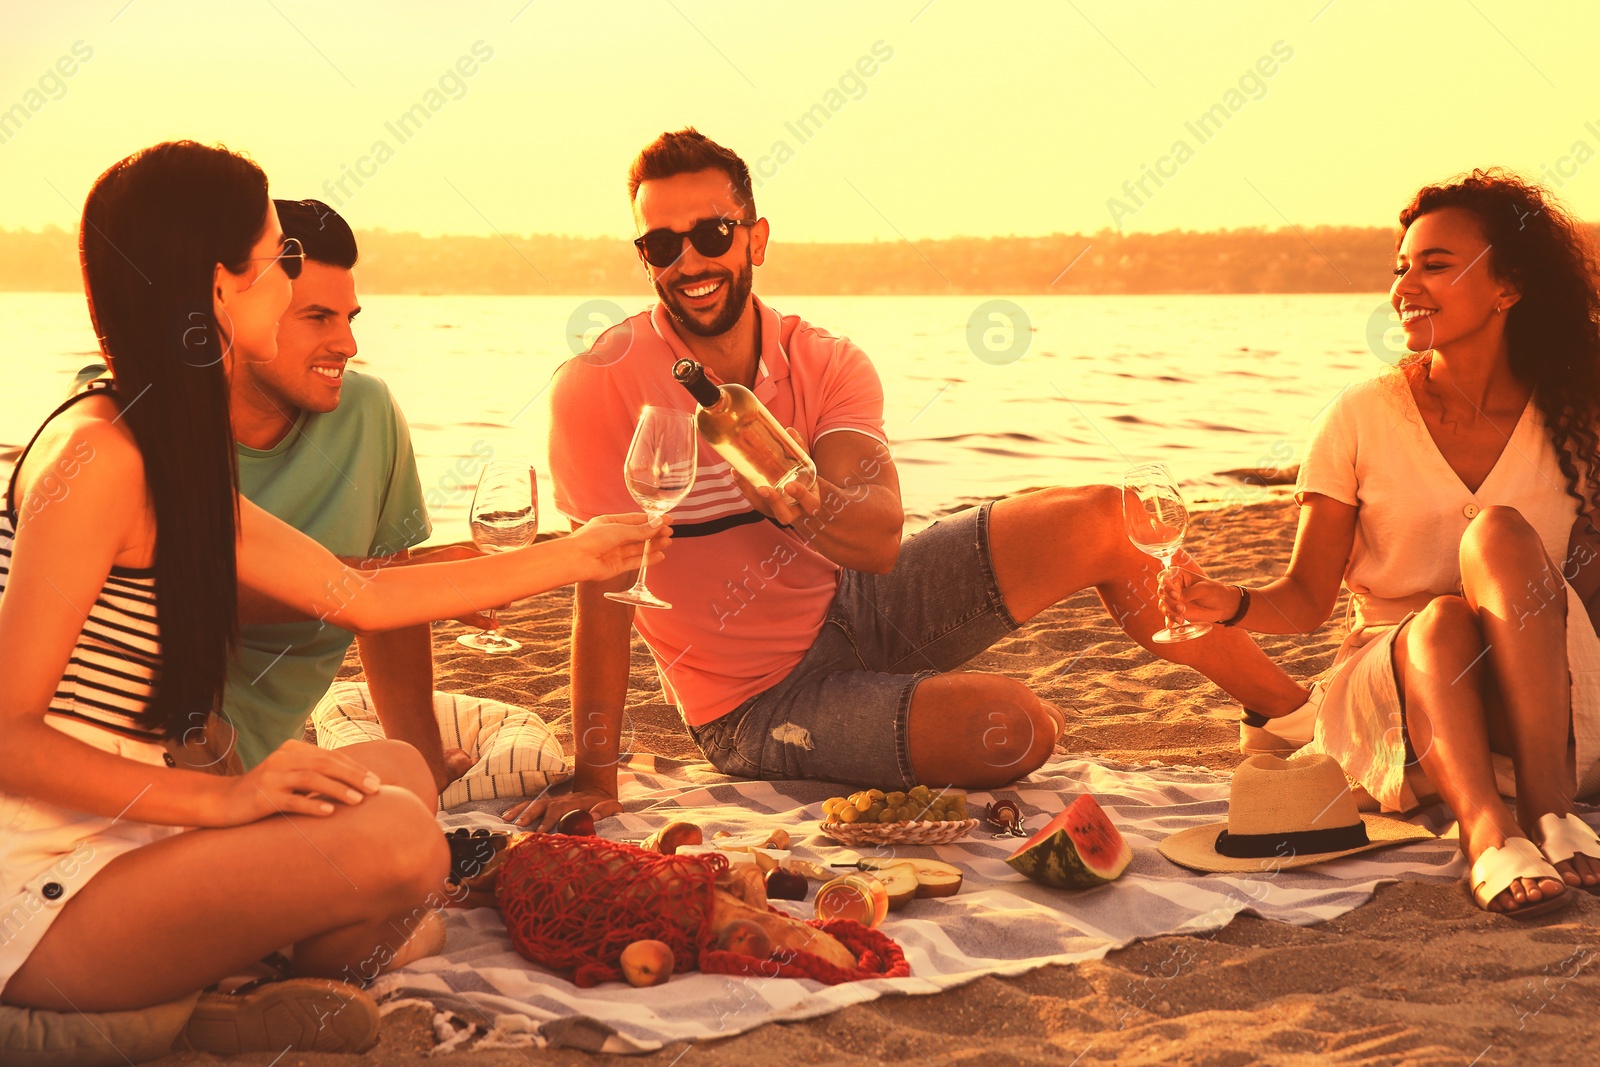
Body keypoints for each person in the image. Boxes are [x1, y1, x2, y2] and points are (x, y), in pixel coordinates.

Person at [0, 141, 661, 1043]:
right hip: (37, 887)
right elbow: (7, 736)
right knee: (397, 842)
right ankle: (250, 976)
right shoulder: (99, 457)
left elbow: (362, 597)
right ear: (219, 288)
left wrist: (582, 553)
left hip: (125, 840)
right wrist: (225, 802)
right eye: (279, 259)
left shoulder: (159, 439)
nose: (294, 279)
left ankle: (242, 982)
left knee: (396, 776)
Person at [510, 127, 1311, 829]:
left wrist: (802, 500)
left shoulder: (825, 360)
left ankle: (1293, 716)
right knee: (1016, 729)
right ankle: (904, 712)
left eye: (712, 233)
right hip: (756, 701)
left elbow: (882, 539)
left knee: (1110, 514)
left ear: (754, 239)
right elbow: (603, 596)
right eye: (661, 244)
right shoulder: (595, 385)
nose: (690, 261)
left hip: (862, 602)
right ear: (643, 256)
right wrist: (593, 777)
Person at [1163, 169, 1600, 917]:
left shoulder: (1579, 412)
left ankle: (1551, 809)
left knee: (1497, 533)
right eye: (1401, 268)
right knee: (1440, 618)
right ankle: (1490, 834)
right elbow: (1305, 602)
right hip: (1400, 703)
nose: (1406, 287)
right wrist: (1228, 601)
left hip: (1552, 704)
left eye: (1435, 265)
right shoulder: (1361, 416)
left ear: (1509, 286)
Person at [225, 198, 471, 798]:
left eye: (350, 317)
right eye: (316, 317)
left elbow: (391, 623)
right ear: (242, 306)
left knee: (406, 784)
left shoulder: (367, 412)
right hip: (145, 757)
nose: (347, 343)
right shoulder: (137, 421)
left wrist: (427, 770)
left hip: (269, 763)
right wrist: (400, 584)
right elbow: (183, 591)